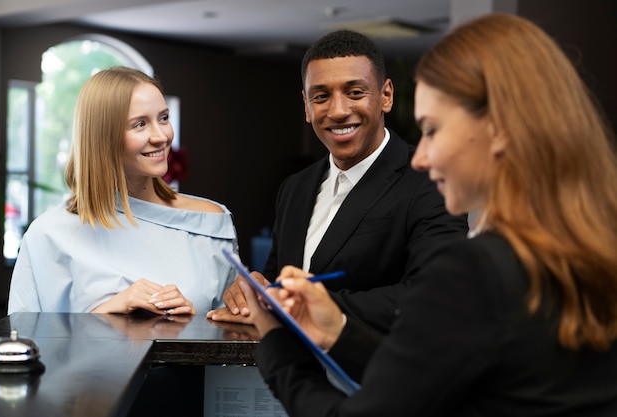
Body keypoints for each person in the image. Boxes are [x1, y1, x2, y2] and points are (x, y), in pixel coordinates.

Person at [240, 13, 617, 416]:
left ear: (499, 129)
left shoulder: (478, 271)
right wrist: (336, 332)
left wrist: (276, 345)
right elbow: (443, 386)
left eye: (433, 130)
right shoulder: (588, 253)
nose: (419, 156)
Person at [208, 30, 468, 332]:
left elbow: (434, 294)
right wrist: (257, 291)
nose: (338, 111)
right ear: (306, 106)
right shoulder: (295, 188)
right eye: (321, 97)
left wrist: (303, 307)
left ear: (386, 96)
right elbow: (278, 281)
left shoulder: (430, 181)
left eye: (355, 93)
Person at [8, 66, 238, 316]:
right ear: (102, 137)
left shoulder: (211, 222)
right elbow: (24, 342)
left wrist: (193, 326)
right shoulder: (48, 234)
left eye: (163, 118)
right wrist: (107, 313)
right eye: (140, 124)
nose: (161, 136)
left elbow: (235, 340)